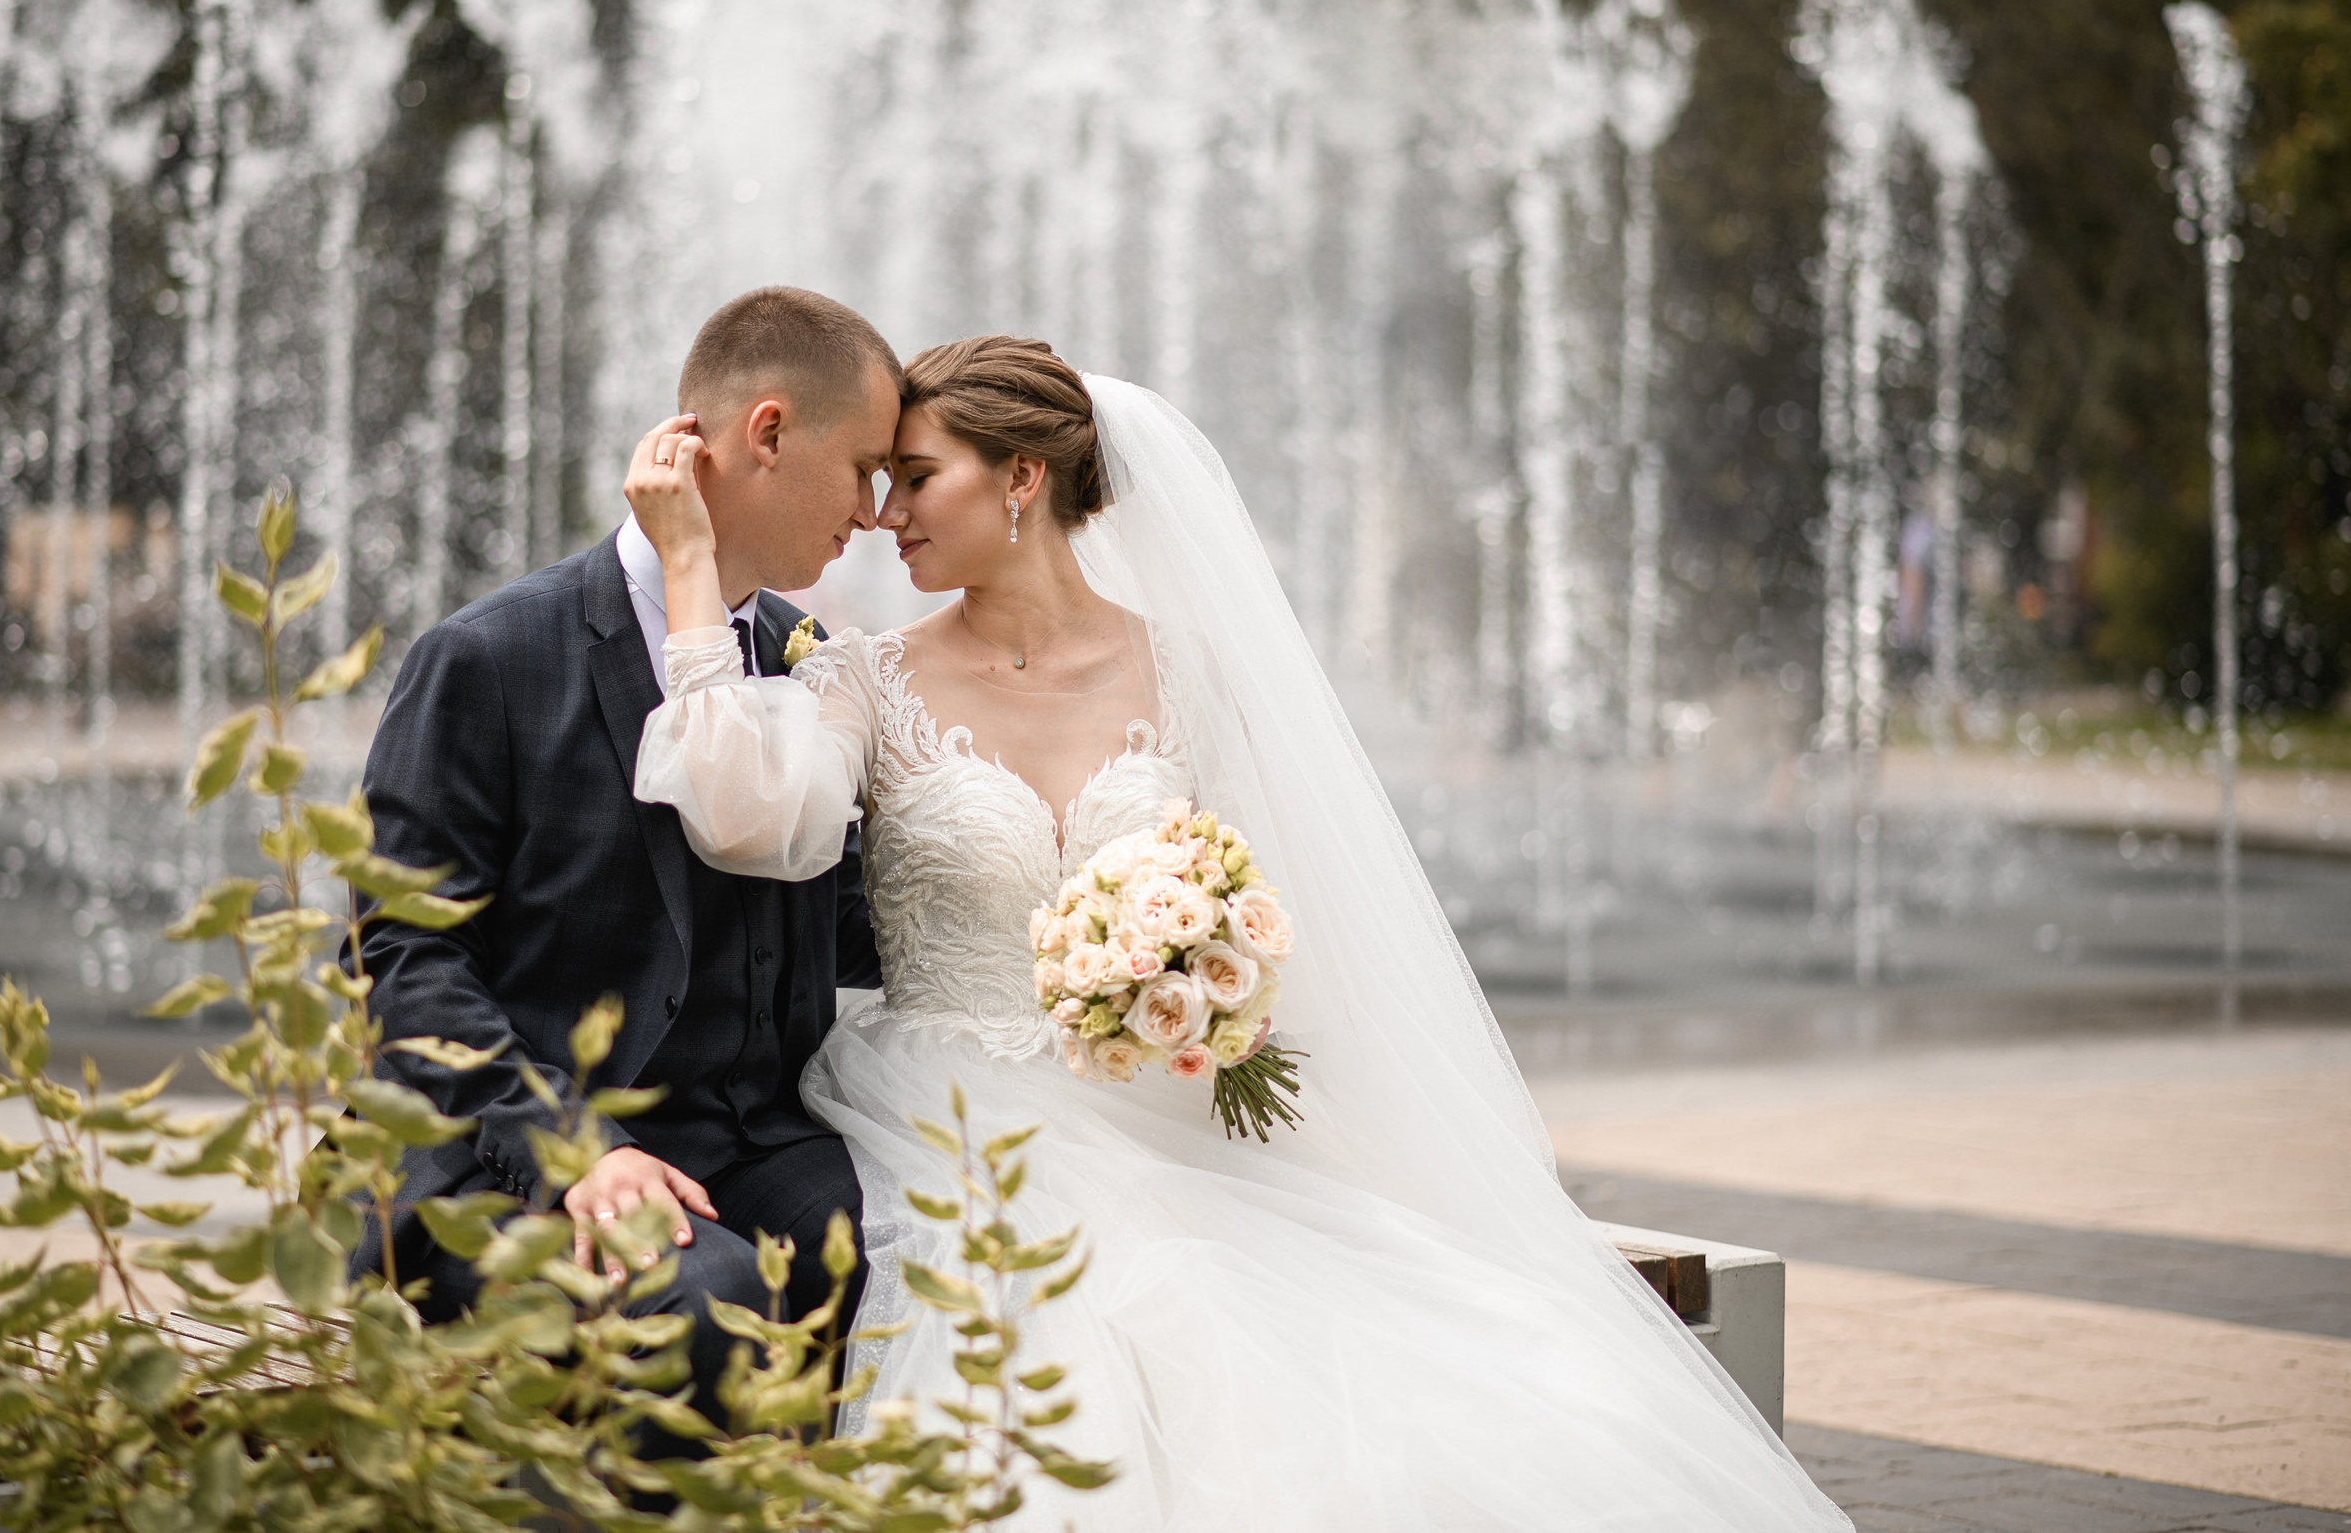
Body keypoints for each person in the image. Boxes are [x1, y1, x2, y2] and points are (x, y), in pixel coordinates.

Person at [626, 335, 1854, 1529]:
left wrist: (1210, 981)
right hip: (949, 1110)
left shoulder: (1197, 675)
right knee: (1123, 1308)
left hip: (1171, 1098)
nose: (886, 516)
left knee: (1376, 1334)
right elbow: (744, 816)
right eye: (879, 484)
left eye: (916, 478)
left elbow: (1297, 909)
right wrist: (690, 568)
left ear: (1022, 477)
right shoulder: (859, 676)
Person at [352, 285, 900, 1455]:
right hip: (524, 1160)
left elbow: (864, 925)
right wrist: (575, 1158)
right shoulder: (488, 657)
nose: (871, 511)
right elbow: (397, 955)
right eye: (861, 468)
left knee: (932, 1262)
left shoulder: (804, 663)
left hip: (755, 1144)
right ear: (765, 433)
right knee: (709, 1308)